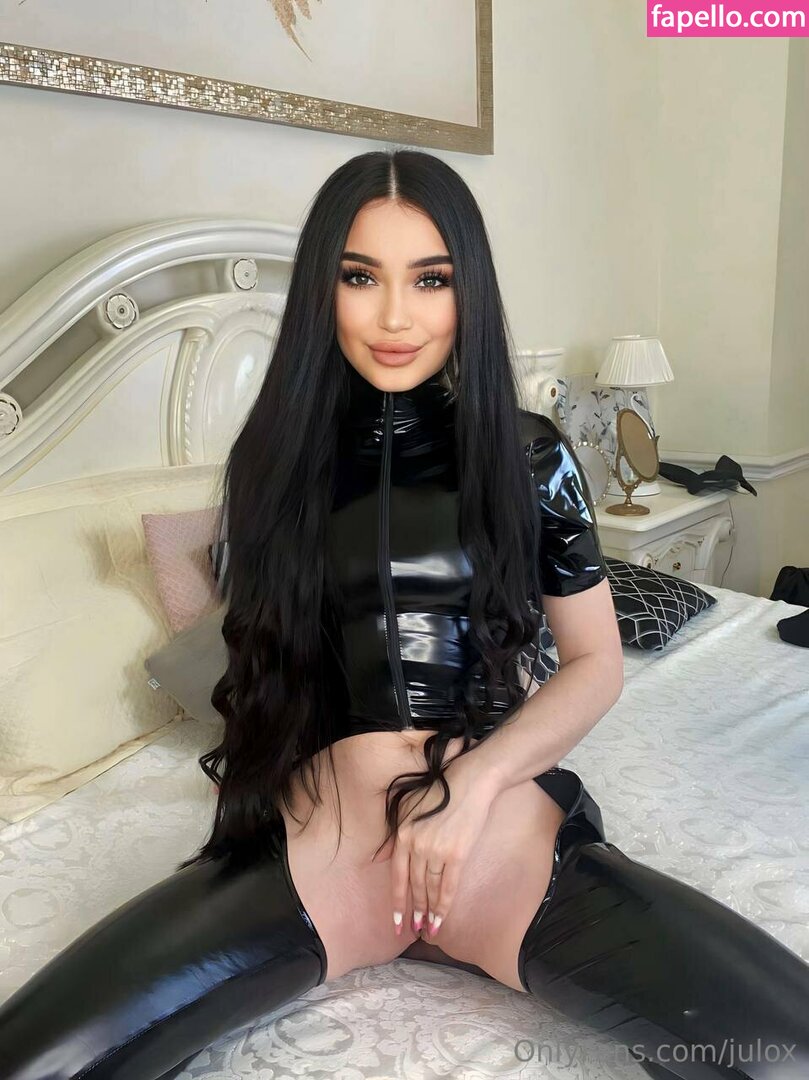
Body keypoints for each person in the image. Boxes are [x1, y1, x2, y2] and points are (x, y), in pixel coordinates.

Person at [1, 149, 807, 1080]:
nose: (394, 316)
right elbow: (274, 659)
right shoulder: (273, 464)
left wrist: (473, 787)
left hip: (492, 841)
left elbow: (594, 663)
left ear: (468, 291)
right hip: (325, 858)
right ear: (323, 290)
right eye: (359, 277)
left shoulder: (527, 454)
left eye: (430, 279)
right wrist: (264, 787)